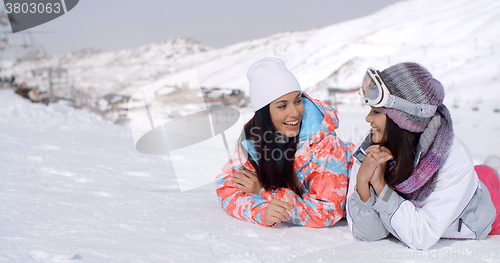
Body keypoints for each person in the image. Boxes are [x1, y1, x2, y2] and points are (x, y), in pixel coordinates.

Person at [346, 62, 500, 250]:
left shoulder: (453, 157)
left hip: (481, 210)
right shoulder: (371, 148)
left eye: (376, 111)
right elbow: (369, 233)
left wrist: (380, 187)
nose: (368, 119)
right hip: (463, 181)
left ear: (404, 118)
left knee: (490, 181)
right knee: (482, 173)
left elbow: (421, 236)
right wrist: (362, 184)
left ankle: (493, 170)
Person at [216, 57, 353, 227]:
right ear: (265, 112)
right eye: (282, 106)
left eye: (297, 100)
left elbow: (326, 211)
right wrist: (261, 210)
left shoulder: (323, 143)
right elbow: (227, 188)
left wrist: (265, 192)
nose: (295, 112)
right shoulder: (253, 141)